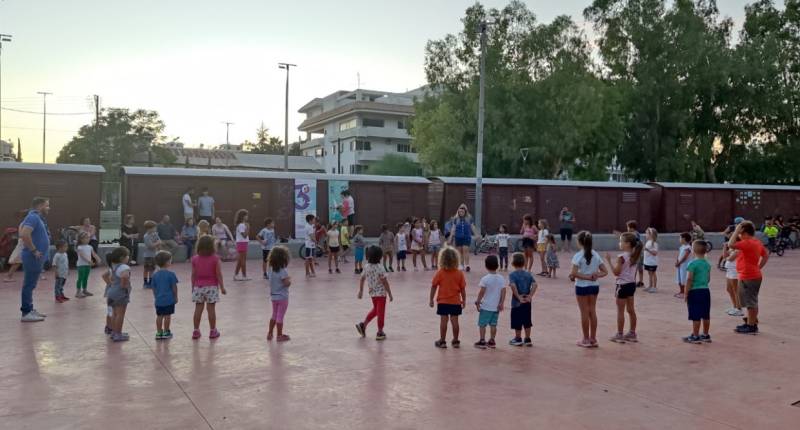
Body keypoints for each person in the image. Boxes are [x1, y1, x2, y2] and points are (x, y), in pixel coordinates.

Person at [728, 221, 768, 335]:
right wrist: (758, 267)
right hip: (752, 274)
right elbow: (765, 255)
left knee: (751, 302)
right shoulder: (756, 242)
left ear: (744, 232)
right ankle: (751, 322)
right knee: (750, 301)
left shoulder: (747, 242)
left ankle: (751, 326)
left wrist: (736, 231)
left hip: (748, 276)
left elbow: (730, 244)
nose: (739, 235)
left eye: (740, 232)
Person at [570, 231, 607, 348]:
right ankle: (593, 338)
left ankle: (585, 339)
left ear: (579, 242)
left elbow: (574, 273)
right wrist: (595, 275)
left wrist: (586, 276)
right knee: (592, 311)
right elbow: (605, 272)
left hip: (581, 286)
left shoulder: (578, 255)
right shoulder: (596, 254)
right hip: (594, 286)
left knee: (584, 312)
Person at [605, 232, 642, 343]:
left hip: (622, 285)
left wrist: (609, 261)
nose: (619, 243)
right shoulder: (635, 256)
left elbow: (616, 272)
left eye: (621, 241)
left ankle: (619, 334)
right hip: (631, 285)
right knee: (631, 310)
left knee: (620, 311)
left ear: (627, 244)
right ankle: (632, 333)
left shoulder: (621, 257)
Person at [19, 197, 51, 323]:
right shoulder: (33, 217)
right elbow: (24, 234)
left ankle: (29, 309)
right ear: (40, 206)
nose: (49, 208)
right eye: (47, 205)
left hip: (36, 258)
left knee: (31, 285)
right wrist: (34, 250)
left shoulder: (36, 217)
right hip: (32, 257)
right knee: (29, 285)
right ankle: (26, 312)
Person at [429, 246, 467, 349]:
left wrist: (431, 299)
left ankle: (442, 341)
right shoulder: (459, 273)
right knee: (455, 321)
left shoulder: (440, 272)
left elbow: (433, 286)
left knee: (443, 321)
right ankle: (455, 341)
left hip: (443, 301)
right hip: (455, 301)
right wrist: (464, 300)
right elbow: (463, 288)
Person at [192, 235, 226, 339]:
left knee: (198, 309)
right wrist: (222, 287)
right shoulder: (215, 259)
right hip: (211, 287)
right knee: (211, 309)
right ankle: (212, 331)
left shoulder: (195, 259)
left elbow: (193, 275)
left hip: (198, 286)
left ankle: (196, 331)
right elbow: (218, 274)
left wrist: (192, 287)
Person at [356, 245, 394, 341]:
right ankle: (380, 332)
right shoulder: (380, 267)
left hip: (372, 294)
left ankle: (363, 325)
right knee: (380, 312)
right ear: (380, 257)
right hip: (381, 294)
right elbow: (385, 282)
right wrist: (389, 293)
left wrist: (361, 291)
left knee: (376, 311)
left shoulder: (366, 267)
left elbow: (362, 278)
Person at [473, 255, 506, 349]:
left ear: (486, 266)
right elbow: (503, 291)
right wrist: (501, 302)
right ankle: (492, 340)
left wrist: (478, 301)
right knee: (493, 324)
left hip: (486, 306)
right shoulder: (501, 278)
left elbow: (482, 292)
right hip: (496, 307)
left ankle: (482, 340)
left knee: (482, 324)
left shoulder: (485, 279)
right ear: (497, 265)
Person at [683, 240, 712, 344]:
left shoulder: (692, 263)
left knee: (696, 314)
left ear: (693, 250)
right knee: (705, 314)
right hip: (705, 291)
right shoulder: (707, 264)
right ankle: (705, 334)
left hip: (695, 291)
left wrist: (686, 293)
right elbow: (708, 279)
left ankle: (695, 336)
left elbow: (689, 279)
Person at [508, 253, 536, 347]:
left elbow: (513, 285)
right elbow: (535, 284)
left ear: (513, 263)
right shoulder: (528, 274)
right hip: (527, 300)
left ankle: (518, 338)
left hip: (517, 302)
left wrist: (518, 297)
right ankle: (527, 339)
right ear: (524, 262)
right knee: (527, 319)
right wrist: (530, 295)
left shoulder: (512, 274)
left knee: (517, 320)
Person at [105, 247, 132, 342]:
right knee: (120, 314)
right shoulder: (124, 267)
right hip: (120, 294)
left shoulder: (114, 266)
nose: (128, 257)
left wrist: (111, 283)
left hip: (111, 292)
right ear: (122, 258)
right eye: (127, 255)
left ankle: (113, 332)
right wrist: (124, 286)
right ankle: (118, 334)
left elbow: (106, 275)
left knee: (114, 314)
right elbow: (125, 277)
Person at [151, 251, 178, 340]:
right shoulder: (171, 274)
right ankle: (166, 331)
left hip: (159, 299)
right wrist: (175, 296)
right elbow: (174, 287)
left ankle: (159, 332)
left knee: (159, 316)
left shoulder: (155, 275)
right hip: (169, 299)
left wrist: (156, 296)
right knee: (167, 316)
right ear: (167, 262)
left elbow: (153, 288)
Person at [267, 246, 292, 342]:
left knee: (274, 314)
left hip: (274, 296)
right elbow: (286, 283)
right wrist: (289, 280)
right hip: (282, 297)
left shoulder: (271, 269)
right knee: (280, 316)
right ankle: (279, 335)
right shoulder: (283, 271)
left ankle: (269, 333)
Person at [449, 204, 478, 272]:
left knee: (465, 250)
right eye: (460, 212)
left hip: (466, 237)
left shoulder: (469, 218)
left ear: (465, 211)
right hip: (458, 237)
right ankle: (461, 265)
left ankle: (467, 265)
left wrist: (476, 234)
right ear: (458, 212)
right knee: (459, 251)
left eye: (462, 211)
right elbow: (453, 228)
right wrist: (450, 237)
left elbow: (472, 227)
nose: (461, 213)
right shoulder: (456, 219)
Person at [75, 232, 100, 298]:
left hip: (88, 265)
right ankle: (78, 292)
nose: (87, 239)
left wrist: (98, 258)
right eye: (86, 238)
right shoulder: (79, 247)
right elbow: (82, 255)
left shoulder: (90, 247)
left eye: (88, 237)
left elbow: (94, 254)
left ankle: (84, 290)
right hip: (81, 265)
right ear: (81, 239)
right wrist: (89, 261)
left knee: (85, 278)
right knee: (80, 278)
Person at [722, 242, 743, 317]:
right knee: (729, 289)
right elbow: (724, 256)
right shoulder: (732, 249)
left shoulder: (738, 250)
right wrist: (724, 247)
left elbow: (730, 259)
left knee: (735, 290)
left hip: (735, 271)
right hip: (729, 270)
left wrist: (727, 256)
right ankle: (735, 306)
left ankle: (739, 309)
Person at [141, 220, 162, 288]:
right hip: (148, 255)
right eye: (154, 228)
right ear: (149, 228)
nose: (155, 229)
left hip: (154, 255)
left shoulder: (155, 234)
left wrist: (158, 244)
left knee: (152, 270)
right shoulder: (146, 236)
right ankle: (145, 282)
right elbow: (150, 246)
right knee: (146, 269)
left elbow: (159, 241)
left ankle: (150, 282)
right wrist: (157, 243)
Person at [626, 220, 645, 288]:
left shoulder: (634, 234)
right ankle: (640, 281)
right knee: (639, 268)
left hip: (637, 254)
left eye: (628, 227)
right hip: (639, 254)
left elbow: (635, 243)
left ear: (632, 228)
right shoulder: (636, 233)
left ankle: (633, 281)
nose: (627, 228)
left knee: (634, 268)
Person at [233, 209, 251, 281]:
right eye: (246, 215)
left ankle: (236, 275)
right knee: (243, 260)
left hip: (243, 243)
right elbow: (244, 235)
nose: (247, 217)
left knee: (241, 260)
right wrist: (248, 227)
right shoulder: (241, 225)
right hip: (241, 243)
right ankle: (244, 276)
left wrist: (247, 227)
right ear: (243, 216)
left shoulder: (243, 225)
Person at [675, 232, 692, 299]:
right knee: (679, 278)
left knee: (683, 279)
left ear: (684, 239)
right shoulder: (682, 247)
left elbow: (685, 257)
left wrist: (680, 262)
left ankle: (685, 292)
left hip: (684, 266)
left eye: (680, 238)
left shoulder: (688, 247)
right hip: (680, 265)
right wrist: (677, 261)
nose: (679, 239)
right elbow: (679, 255)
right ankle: (681, 291)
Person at [643, 228, 659, 293]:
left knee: (653, 274)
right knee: (650, 274)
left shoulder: (654, 243)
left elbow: (655, 253)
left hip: (652, 262)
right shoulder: (648, 242)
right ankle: (650, 286)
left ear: (651, 235)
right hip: (648, 262)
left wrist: (647, 250)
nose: (645, 235)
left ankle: (654, 287)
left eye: (647, 233)